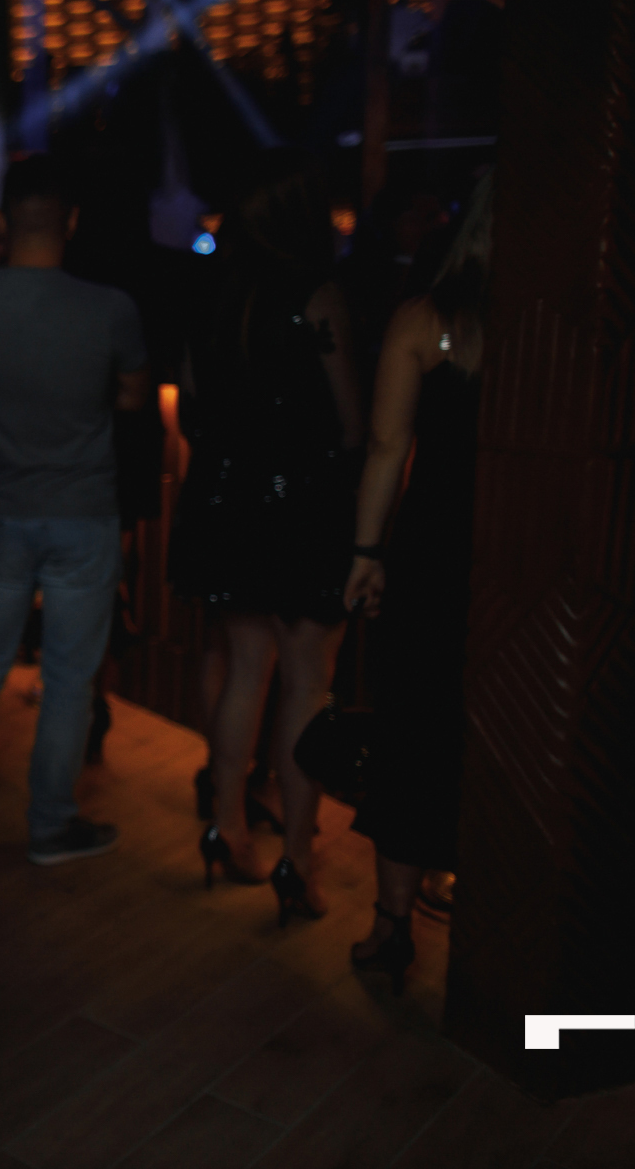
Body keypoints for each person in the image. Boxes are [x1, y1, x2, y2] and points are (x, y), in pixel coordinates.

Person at [0, 154, 149, 860]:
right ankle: (51, 823)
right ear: (72, 221)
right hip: (84, 510)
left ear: (4, 221)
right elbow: (133, 397)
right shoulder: (110, 308)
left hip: (3, 509)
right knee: (68, 679)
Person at [170, 149, 363, 923]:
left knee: (246, 668)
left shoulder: (211, 292)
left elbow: (190, 408)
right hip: (304, 505)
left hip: (227, 501)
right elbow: (351, 426)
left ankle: (227, 827)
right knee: (308, 682)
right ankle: (298, 863)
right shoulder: (318, 295)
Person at [342, 173, 491, 994]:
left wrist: (367, 552)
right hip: (537, 557)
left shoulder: (427, 322)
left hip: (435, 549)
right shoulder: (575, 323)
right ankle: (495, 930)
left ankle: (391, 926)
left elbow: (386, 447)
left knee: (411, 729)